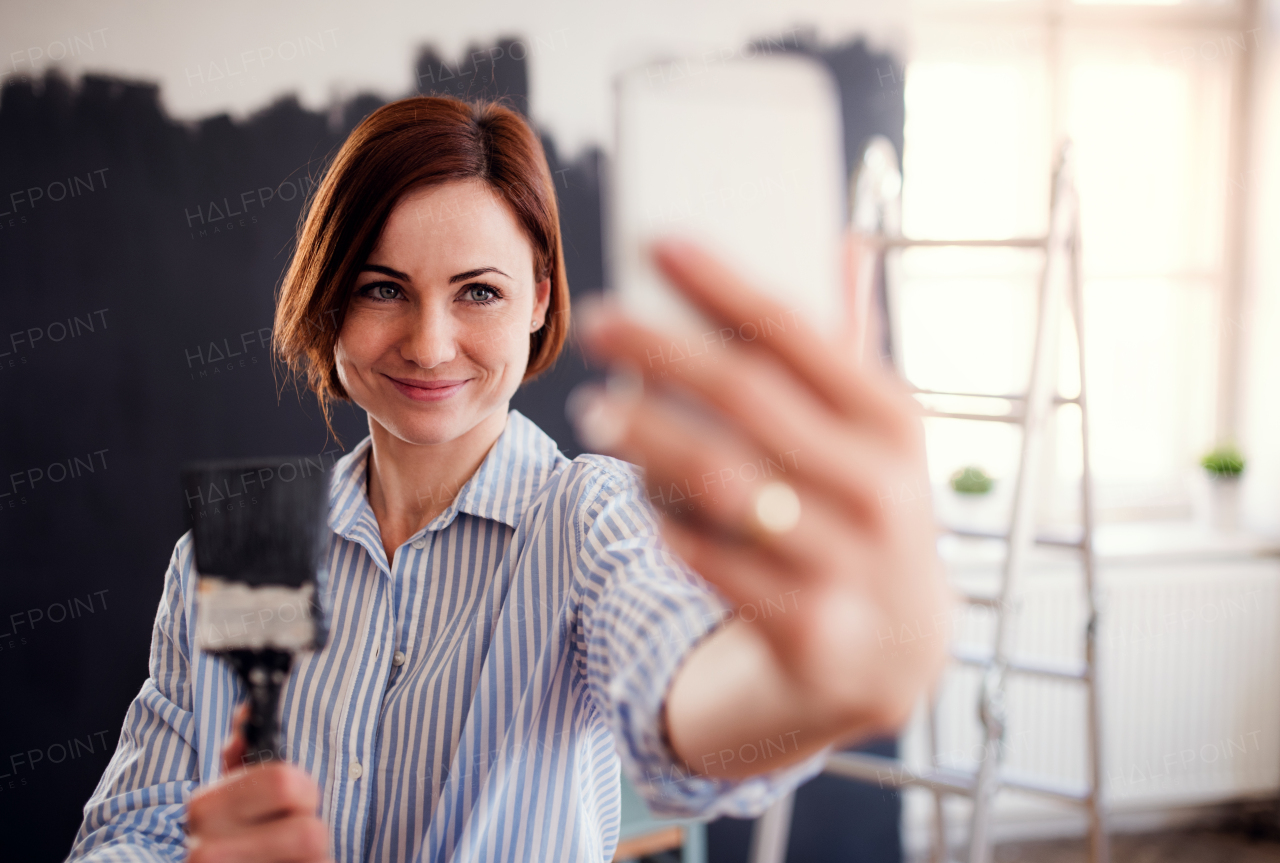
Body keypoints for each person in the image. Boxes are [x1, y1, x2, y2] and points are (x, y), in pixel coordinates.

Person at [67, 95, 949, 863]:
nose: (429, 341)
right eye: (382, 288)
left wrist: (801, 689)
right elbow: (135, 824)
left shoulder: (589, 515)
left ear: (539, 297)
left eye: (477, 292)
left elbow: (684, 692)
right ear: (328, 297)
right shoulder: (246, 547)